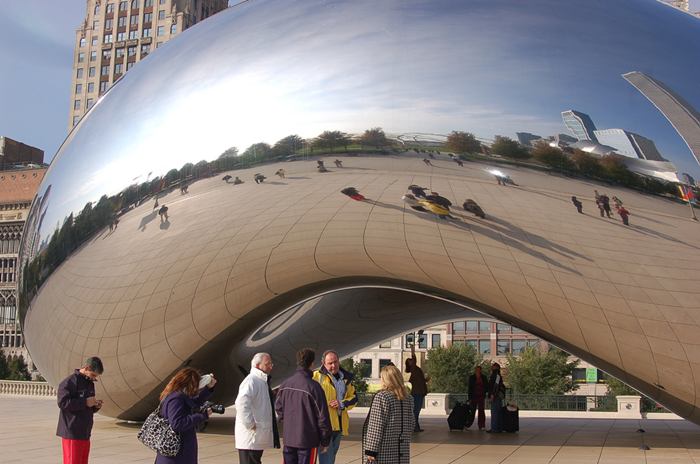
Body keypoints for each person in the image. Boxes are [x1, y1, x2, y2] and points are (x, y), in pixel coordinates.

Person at [275, 348, 331, 464]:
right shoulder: (314, 387)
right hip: (307, 440)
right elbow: (323, 417)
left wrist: (288, 422)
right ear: (312, 364)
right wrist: (325, 440)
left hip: (289, 438)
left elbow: (278, 407)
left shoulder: (285, 384)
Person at [155, 368, 217, 464]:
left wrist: (208, 388)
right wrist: (202, 416)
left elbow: (193, 403)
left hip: (179, 453)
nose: (197, 388)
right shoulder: (176, 399)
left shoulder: (178, 395)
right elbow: (177, 423)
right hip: (177, 454)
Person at [313, 350, 358, 464]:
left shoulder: (346, 378)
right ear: (323, 363)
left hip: (339, 426)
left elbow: (354, 398)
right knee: (326, 460)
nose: (334, 365)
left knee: (331, 459)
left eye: (336, 362)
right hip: (324, 426)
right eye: (330, 363)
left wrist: (342, 403)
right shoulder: (316, 377)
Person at [362, 365, 414, 464]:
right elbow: (411, 424)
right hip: (402, 451)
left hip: (383, 451)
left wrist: (371, 451)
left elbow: (376, 426)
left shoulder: (382, 397)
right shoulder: (408, 398)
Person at [56, 357, 104, 464]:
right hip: (72, 431)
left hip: (85, 431)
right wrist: (85, 402)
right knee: (73, 461)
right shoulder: (69, 382)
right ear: (86, 368)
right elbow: (63, 403)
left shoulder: (89, 383)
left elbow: (86, 407)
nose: (94, 378)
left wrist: (95, 406)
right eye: (93, 375)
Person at [235, 353, 279, 464]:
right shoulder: (251, 381)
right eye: (267, 363)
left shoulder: (262, 381)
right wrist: (250, 423)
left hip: (257, 437)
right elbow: (241, 403)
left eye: (271, 363)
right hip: (250, 437)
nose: (271, 366)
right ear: (258, 365)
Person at [405, 338, 428, 432]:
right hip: (418, 392)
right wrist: (412, 349)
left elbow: (420, 381)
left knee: (416, 410)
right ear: (409, 364)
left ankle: (416, 426)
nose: (412, 360)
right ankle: (415, 427)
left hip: (419, 392)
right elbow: (414, 357)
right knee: (416, 410)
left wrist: (426, 380)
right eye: (410, 361)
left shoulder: (416, 370)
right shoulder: (414, 368)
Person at [486, 362, 506, 433]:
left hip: (495, 396)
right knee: (498, 412)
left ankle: (494, 428)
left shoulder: (496, 375)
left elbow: (495, 386)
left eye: (493, 367)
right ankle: (499, 428)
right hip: (498, 396)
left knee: (494, 412)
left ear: (495, 368)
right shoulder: (498, 375)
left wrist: (492, 395)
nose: (492, 368)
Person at [468, 365, 488, 431]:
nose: (478, 371)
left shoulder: (484, 377)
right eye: (477, 369)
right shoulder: (472, 377)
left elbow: (486, 386)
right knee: (472, 411)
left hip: (481, 396)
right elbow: (470, 388)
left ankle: (481, 425)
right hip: (474, 396)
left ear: (481, 370)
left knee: (481, 411)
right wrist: (469, 398)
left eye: (479, 369)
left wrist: (485, 393)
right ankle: (468, 424)